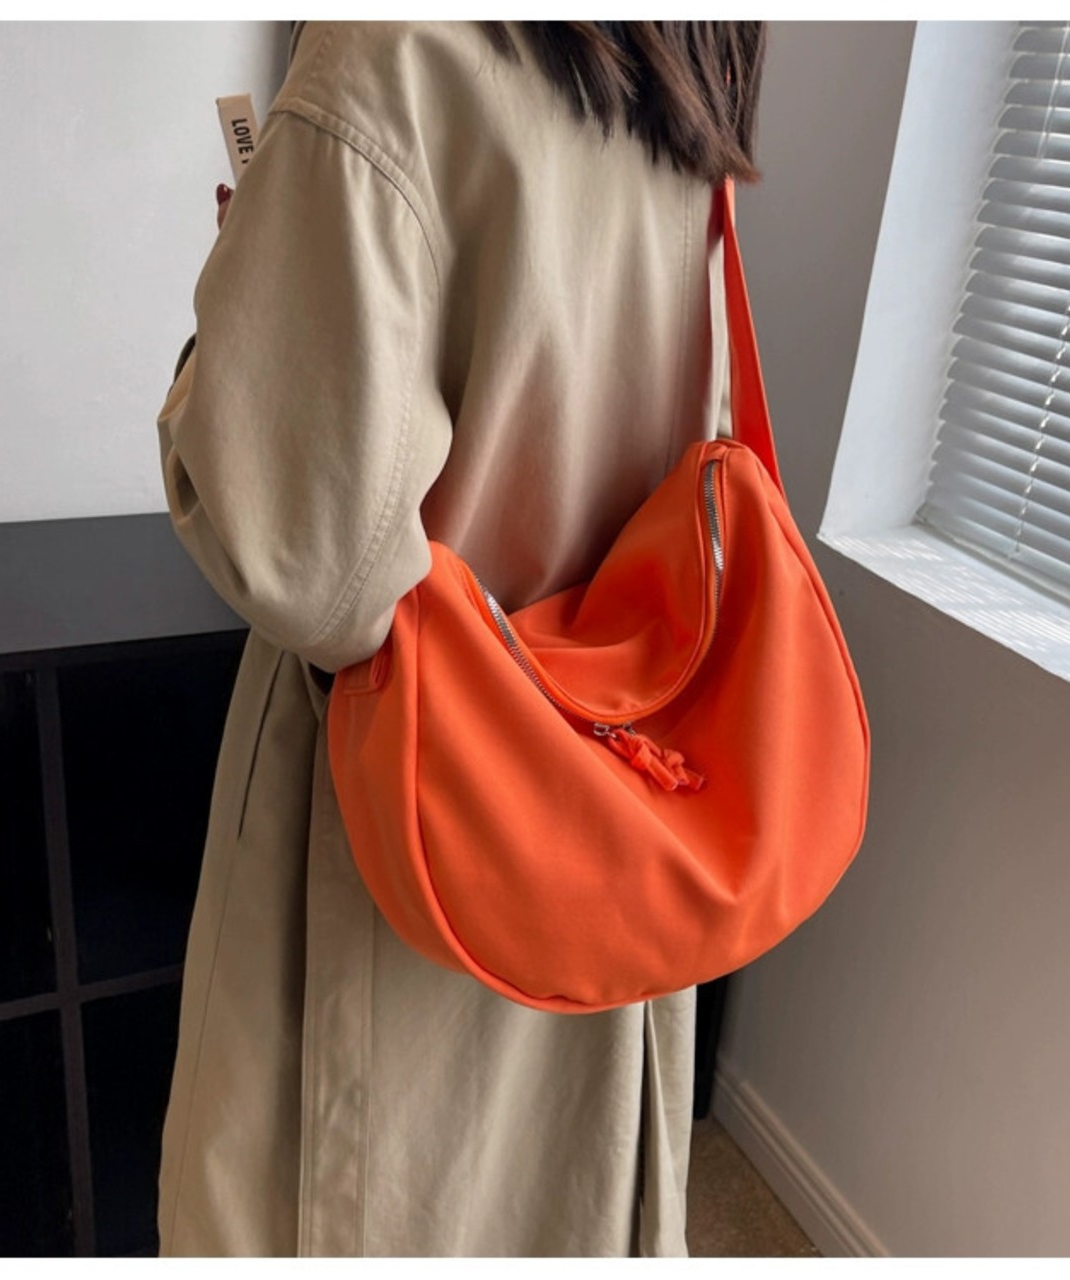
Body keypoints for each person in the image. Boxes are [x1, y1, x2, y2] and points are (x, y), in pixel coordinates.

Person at [154, 20, 766, 1257]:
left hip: (405, 803)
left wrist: (237, 330)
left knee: (364, 1198)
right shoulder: (680, 57)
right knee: (563, 1193)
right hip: (611, 782)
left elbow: (309, 558)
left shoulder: (387, 50)